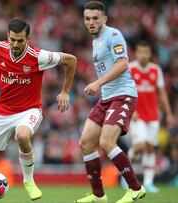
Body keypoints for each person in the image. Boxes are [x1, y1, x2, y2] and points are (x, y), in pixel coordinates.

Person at [0, 18, 77, 203]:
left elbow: (71, 60)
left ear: (28, 39)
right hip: (3, 111)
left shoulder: (38, 56)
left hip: (30, 109)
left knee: (22, 135)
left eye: (20, 40)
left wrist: (65, 92)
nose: (15, 44)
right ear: (8, 36)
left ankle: (28, 181)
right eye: (12, 39)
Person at [75, 1, 146, 203]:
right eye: (87, 18)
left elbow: (123, 64)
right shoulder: (95, 41)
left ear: (104, 19)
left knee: (106, 142)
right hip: (107, 97)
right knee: (86, 143)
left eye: (95, 18)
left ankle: (135, 188)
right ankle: (98, 195)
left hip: (123, 95)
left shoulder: (113, 35)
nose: (91, 22)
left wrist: (97, 83)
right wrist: (100, 86)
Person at [128, 41, 174, 192]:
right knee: (141, 145)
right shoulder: (130, 69)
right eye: (140, 52)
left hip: (153, 115)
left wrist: (168, 113)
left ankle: (148, 182)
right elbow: (125, 91)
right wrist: (131, 109)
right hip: (136, 115)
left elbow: (161, 93)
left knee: (150, 148)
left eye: (146, 52)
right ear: (136, 53)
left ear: (150, 54)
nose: (143, 55)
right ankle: (126, 172)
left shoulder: (156, 70)